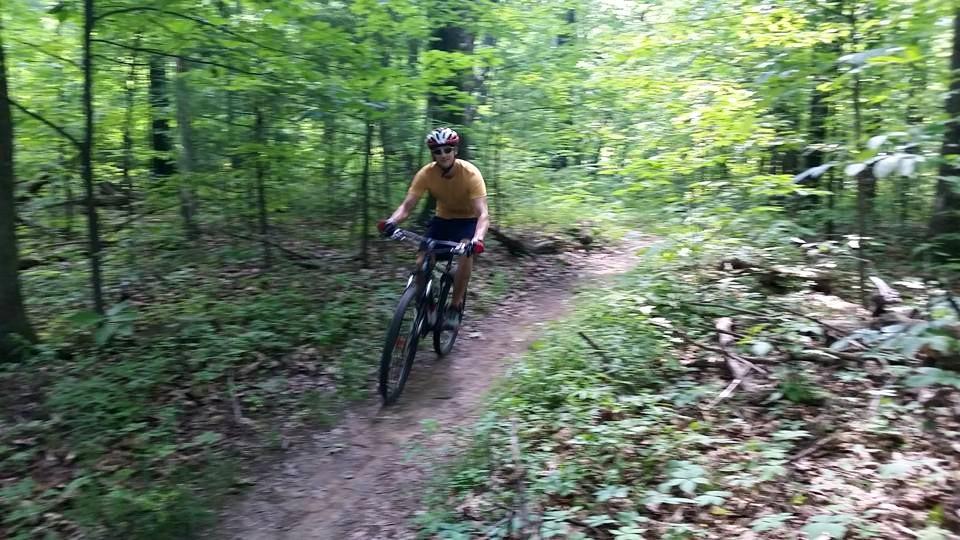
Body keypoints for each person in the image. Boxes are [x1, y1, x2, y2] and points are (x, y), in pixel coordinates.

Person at [378, 127, 489, 329]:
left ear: (455, 151)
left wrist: (477, 239)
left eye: (447, 150)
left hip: (467, 221)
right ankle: (427, 307)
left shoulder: (470, 174)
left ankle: (454, 307)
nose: (443, 155)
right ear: (433, 154)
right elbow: (407, 207)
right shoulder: (426, 174)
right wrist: (391, 222)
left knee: (466, 255)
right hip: (442, 220)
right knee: (421, 262)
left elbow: (483, 214)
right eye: (437, 151)